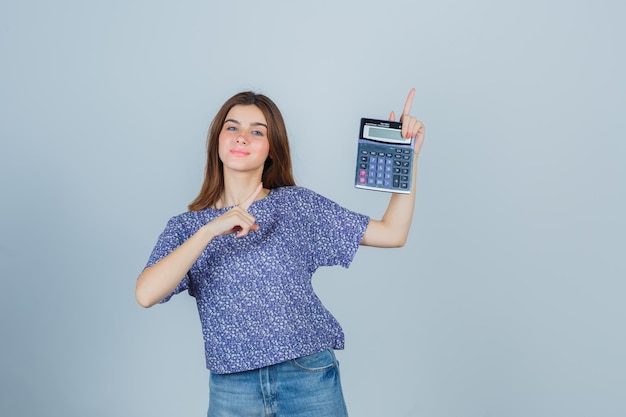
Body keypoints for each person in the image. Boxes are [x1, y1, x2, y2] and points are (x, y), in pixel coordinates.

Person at [136, 88, 425, 417]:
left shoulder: (296, 206)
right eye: (232, 127)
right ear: (217, 140)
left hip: (307, 378)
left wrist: (409, 156)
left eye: (257, 131)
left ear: (271, 149)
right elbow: (145, 293)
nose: (242, 137)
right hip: (233, 389)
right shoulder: (187, 228)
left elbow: (392, 232)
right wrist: (210, 230)